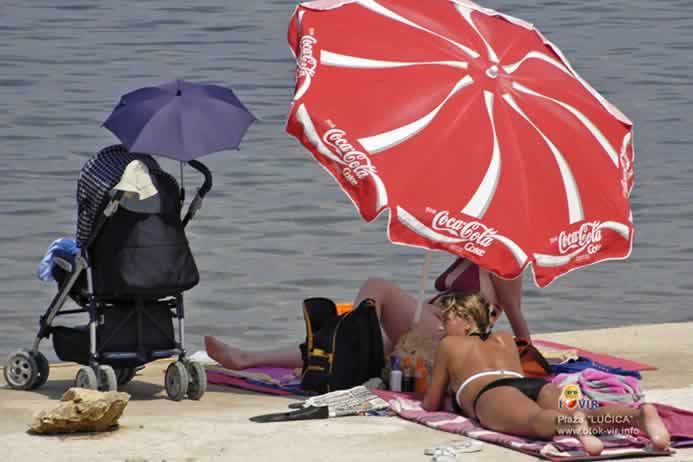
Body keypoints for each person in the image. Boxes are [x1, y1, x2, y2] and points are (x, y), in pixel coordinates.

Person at [421, 292, 671, 456]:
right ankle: (638, 416)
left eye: (448, 319)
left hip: (494, 393)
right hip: (533, 385)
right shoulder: (506, 339)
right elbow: (515, 376)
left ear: (466, 320)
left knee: (536, 421)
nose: (442, 326)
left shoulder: (449, 344)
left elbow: (431, 404)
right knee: (585, 414)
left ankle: (573, 425)